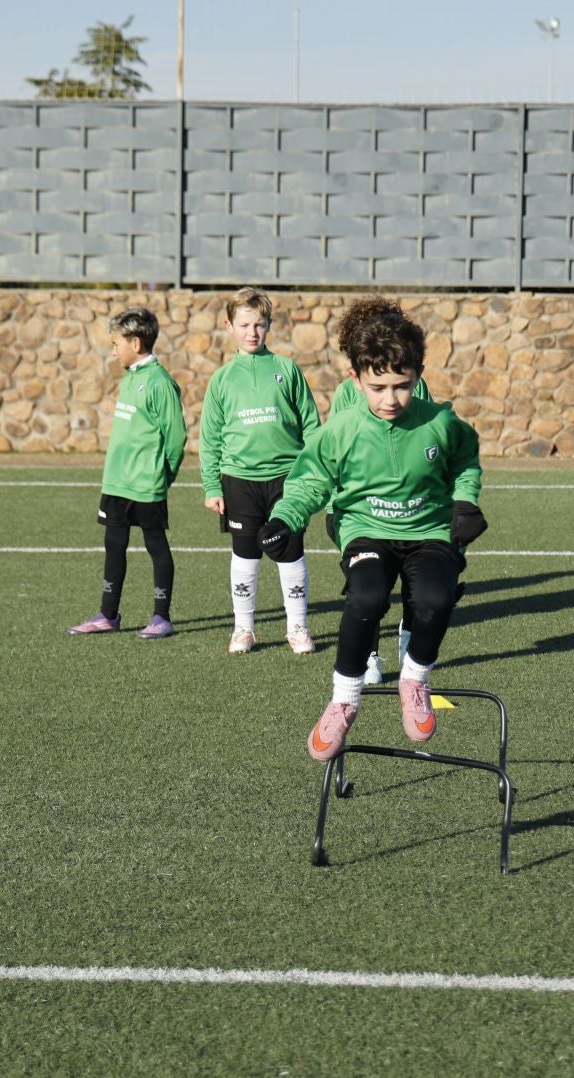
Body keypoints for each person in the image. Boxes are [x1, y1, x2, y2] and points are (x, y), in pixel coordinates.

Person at [256, 299, 488, 761]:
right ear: (357, 378)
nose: (390, 399)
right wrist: (286, 518)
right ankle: (344, 700)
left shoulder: (440, 422)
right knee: (366, 598)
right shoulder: (341, 429)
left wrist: (466, 502)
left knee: (436, 599)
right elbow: (310, 481)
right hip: (366, 530)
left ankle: (415, 680)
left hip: (429, 530)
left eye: (401, 387)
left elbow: (465, 461)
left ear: (418, 375)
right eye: (377, 387)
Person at [199, 286, 322, 654]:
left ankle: (297, 627)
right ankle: (244, 628)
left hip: (288, 478)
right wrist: (212, 486)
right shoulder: (222, 379)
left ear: (269, 325)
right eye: (244, 324)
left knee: (290, 551)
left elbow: (312, 427)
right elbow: (210, 438)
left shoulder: (287, 370)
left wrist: (312, 473)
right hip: (239, 480)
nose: (252, 332)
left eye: (259, 324)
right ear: (229, 325)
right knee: (245, 553)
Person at [324, 298, 436, 685]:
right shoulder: (346, 394)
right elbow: (333, 452)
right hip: (358, 509)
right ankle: (369, 654)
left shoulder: (417, 390)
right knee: (366, 587)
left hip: (409, 508)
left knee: (415, 576)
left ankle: (408, 643)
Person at [67, 306, 185, 640]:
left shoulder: (160, 383)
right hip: (116, 482)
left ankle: (161, 617)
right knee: (114, 543)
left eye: (116, 342)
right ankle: (108, 614)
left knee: (156, 546)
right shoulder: (130, 378)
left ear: (135, 342)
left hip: (146, 484)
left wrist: (165, 475)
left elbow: (176, 438)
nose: (113, 349)